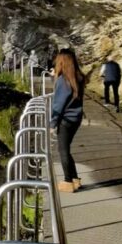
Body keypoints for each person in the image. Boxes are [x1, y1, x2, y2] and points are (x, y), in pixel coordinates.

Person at [50, 48, 85, 193]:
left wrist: (53, 124)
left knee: (63, 150)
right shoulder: (78, 77)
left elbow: (58, 104)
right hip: (76, 118)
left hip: (65, 120)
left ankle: (67, 181)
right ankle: (75, 178)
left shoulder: (63, 81)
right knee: (66, 149)